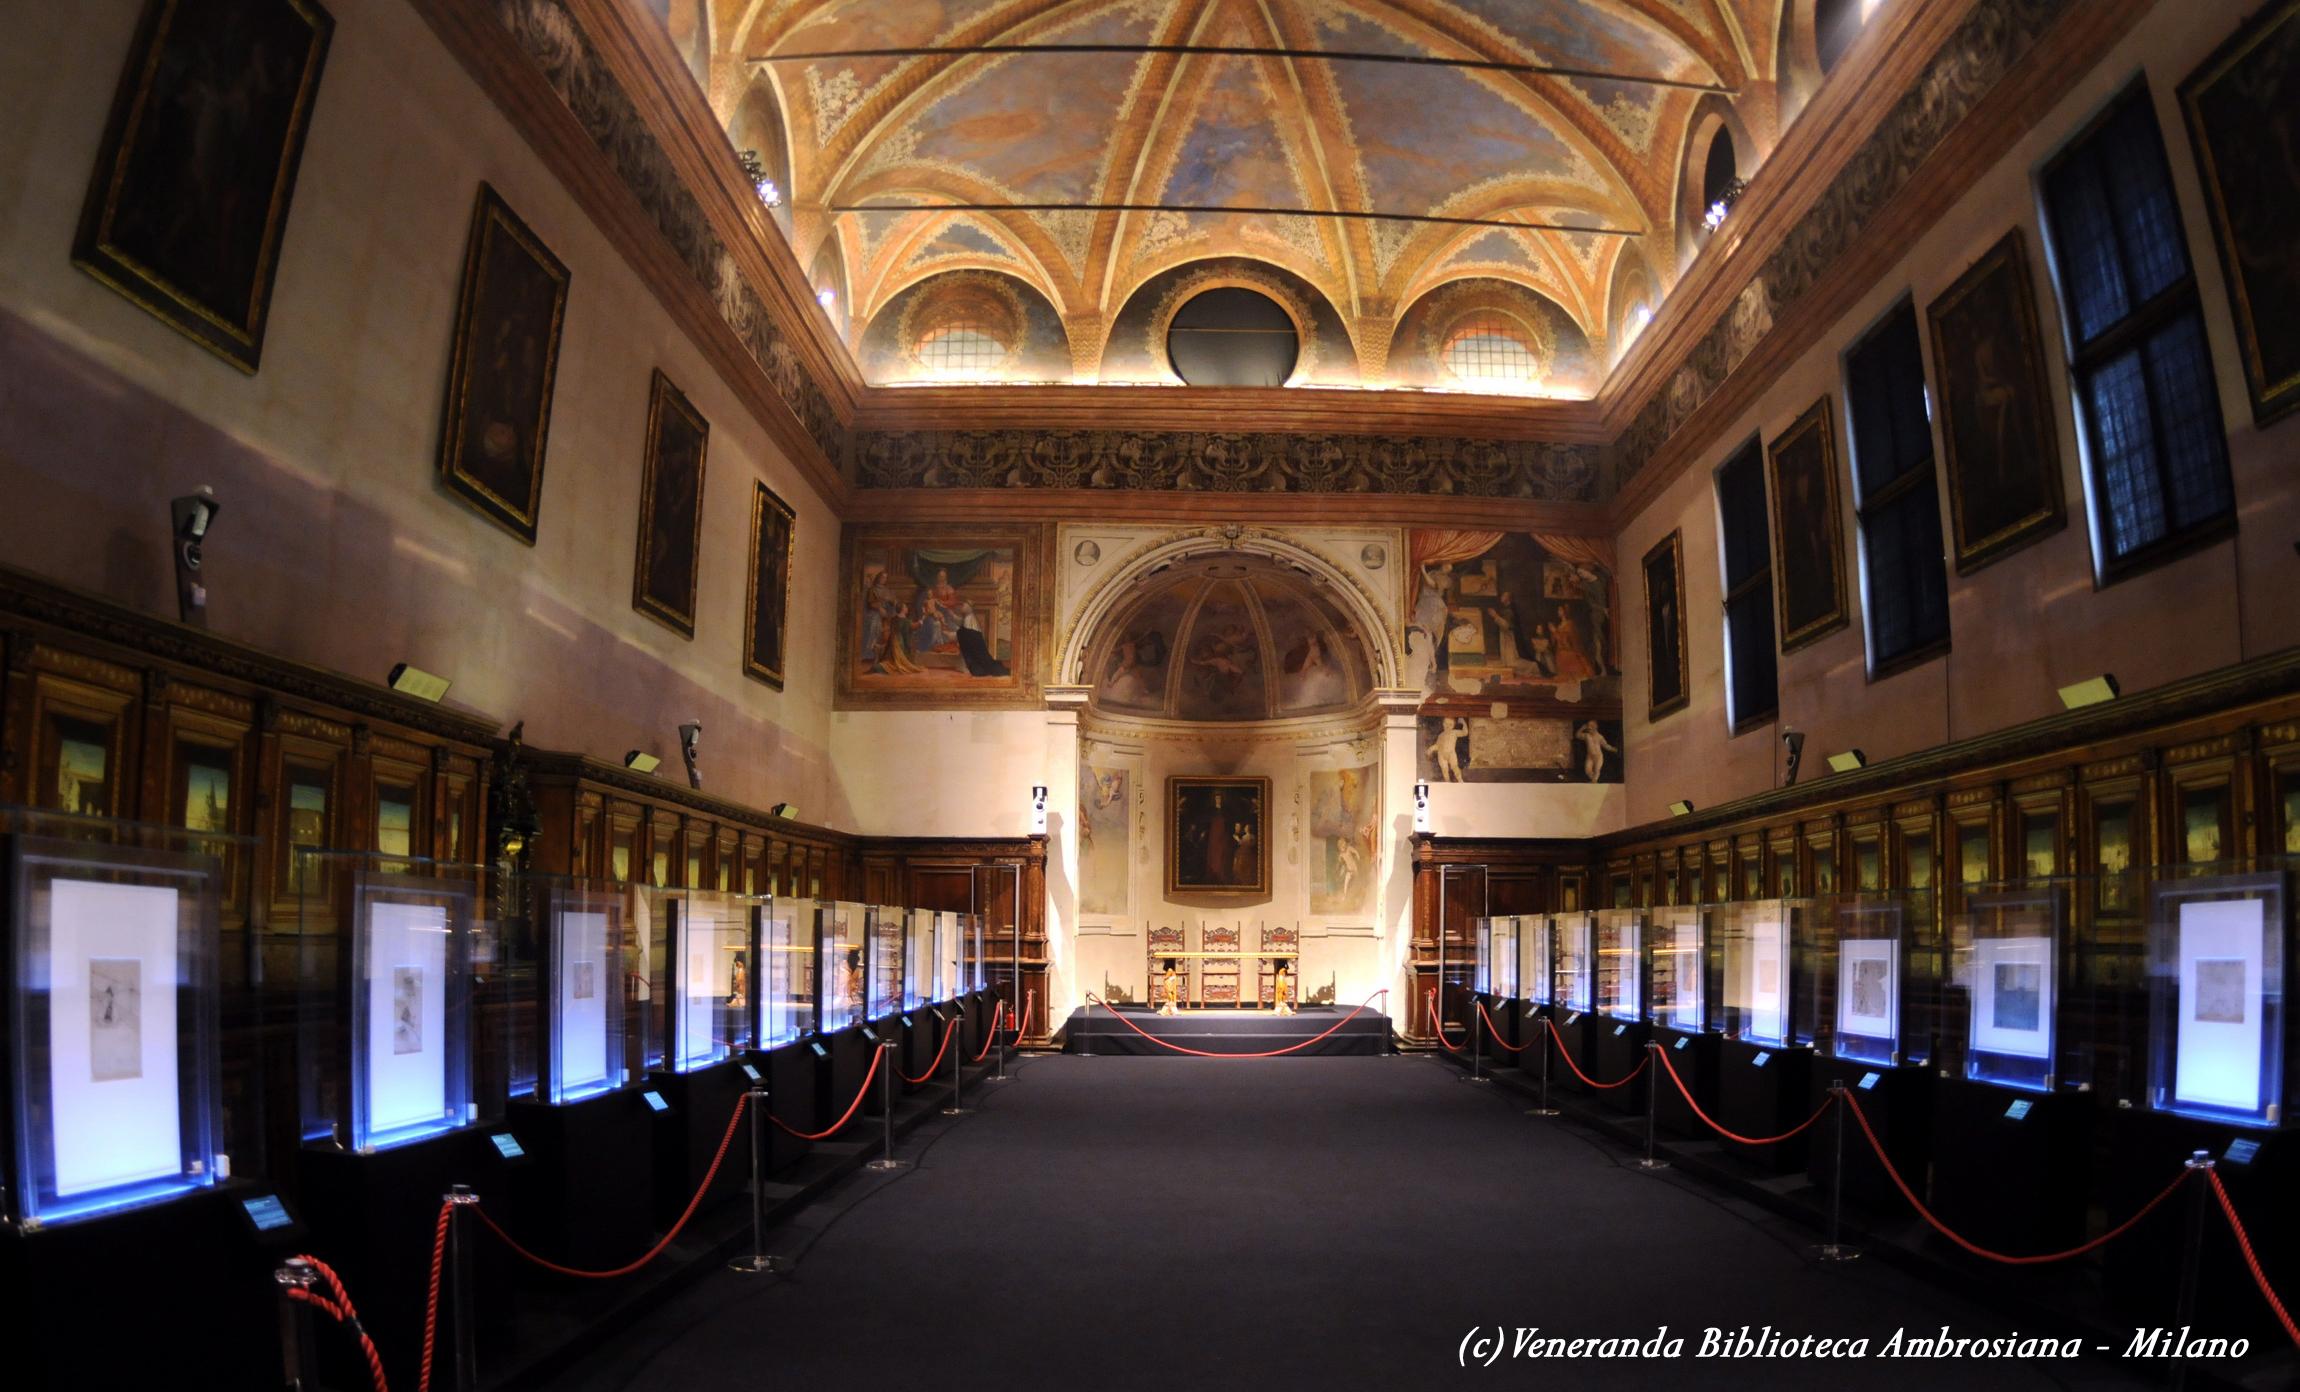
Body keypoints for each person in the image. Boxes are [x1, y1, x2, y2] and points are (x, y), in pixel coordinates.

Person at [1550, 605, 1596, 682]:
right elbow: (1555, 640)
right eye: (1558, 610)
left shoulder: (1570, 624)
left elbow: (1567, 641)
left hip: (1569, 651)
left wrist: (1555, 631)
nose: (1558, 612)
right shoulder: (1560, 625)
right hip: (1560, 652)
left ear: (1565, 612)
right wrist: (1553, 633)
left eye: (1560, 610)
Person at [1427, 716, 1468, 782]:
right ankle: (1447, 782)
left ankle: (1460, 780)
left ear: (1453, 726)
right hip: (1441, 754)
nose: (1448, 726)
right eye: (1446, 723)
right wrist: (1431, 749)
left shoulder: (1454, 732)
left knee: (1455, 767)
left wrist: (1463, 722)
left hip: (1451, 753)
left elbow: (1465, 733)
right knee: (1444, 769)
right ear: (1443, 724)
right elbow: (1438, 745)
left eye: (1450, 724)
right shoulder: (1441, 735)